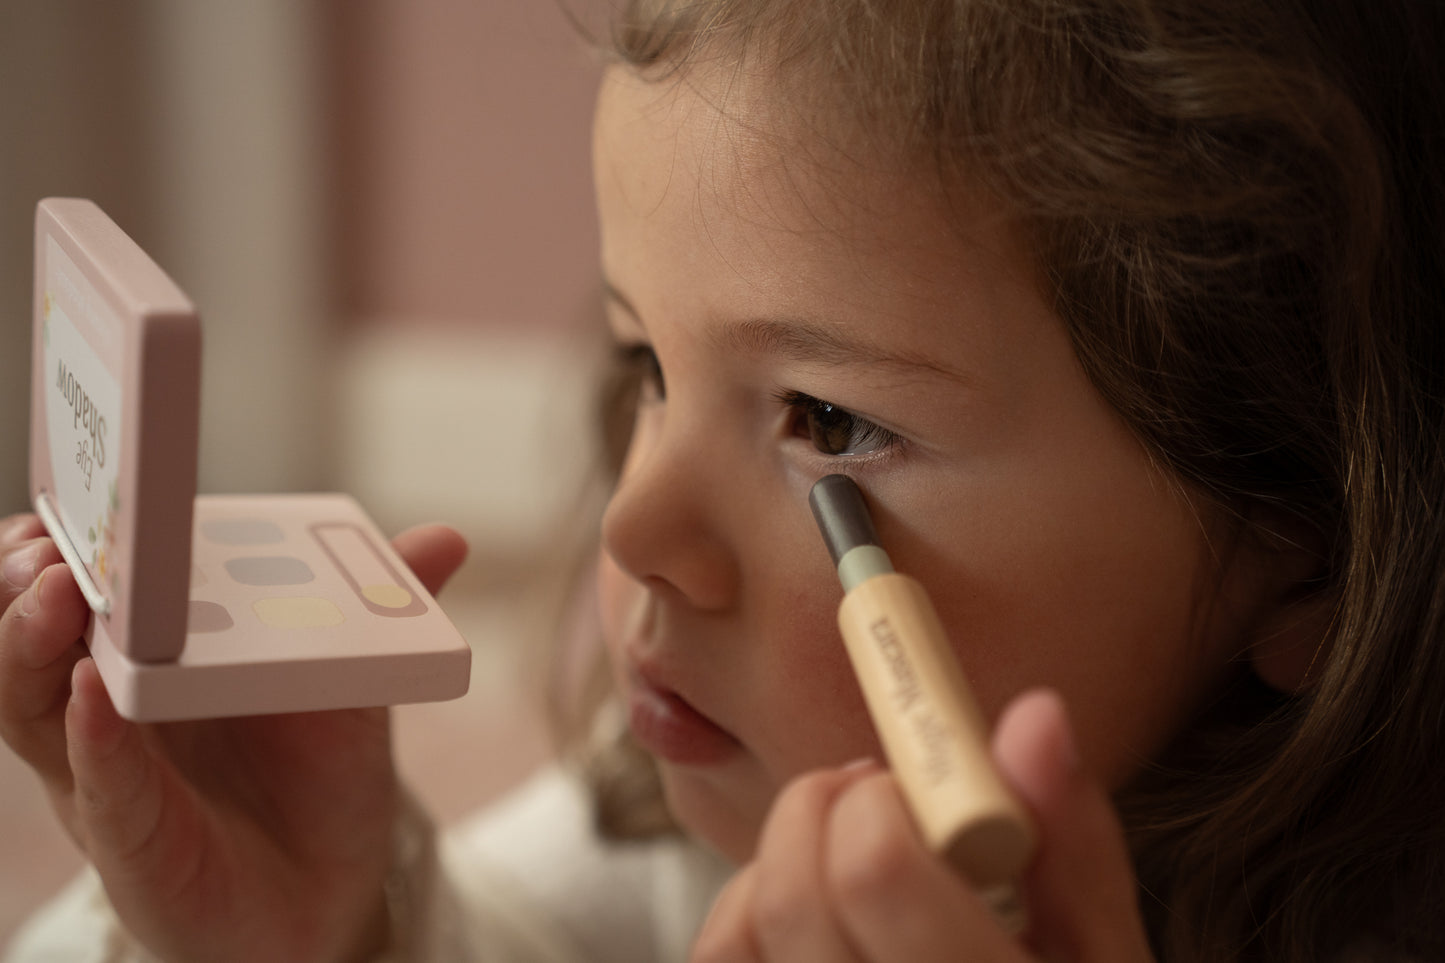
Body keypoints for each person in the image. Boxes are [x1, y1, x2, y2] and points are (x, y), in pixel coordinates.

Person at [3, 0, 1443, 959]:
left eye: (826, 416)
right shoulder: (652, 813)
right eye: (647, 368)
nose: (634, 533)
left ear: (1305, 546)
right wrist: (338, 932)